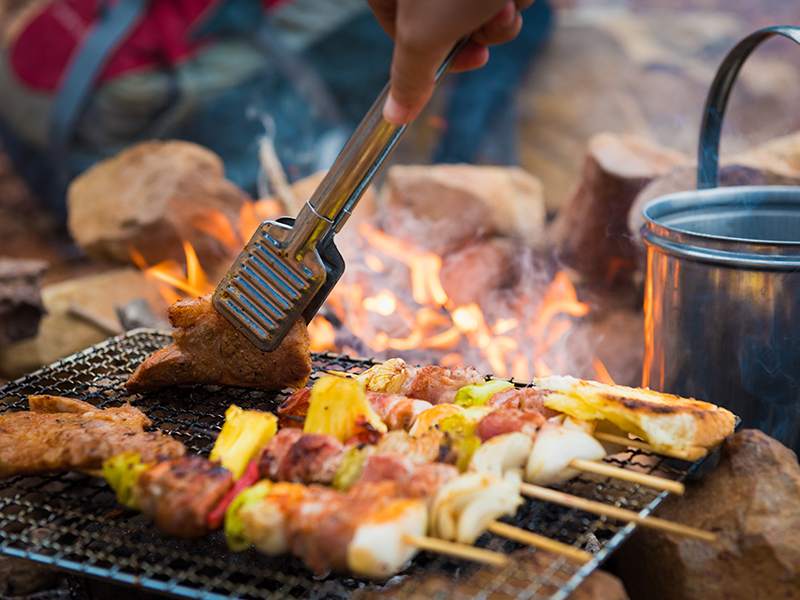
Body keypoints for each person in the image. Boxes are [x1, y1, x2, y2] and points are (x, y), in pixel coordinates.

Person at [0, 0, 536, 222]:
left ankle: (448, 164)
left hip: (33, 130)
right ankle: (453, 159)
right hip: (85, 146)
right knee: (527, 23)